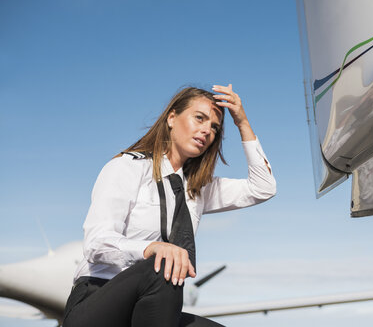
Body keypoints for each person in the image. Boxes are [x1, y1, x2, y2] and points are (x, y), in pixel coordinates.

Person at [62, 84, 276, 327]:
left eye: (214, 127)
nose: (206, 130)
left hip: (150, 310)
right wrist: (151, 248)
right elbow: (96, 243)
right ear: (172, 118)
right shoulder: (128, 167)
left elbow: (263, 187)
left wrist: (242, 123)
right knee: (162, 266)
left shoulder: (197, 189)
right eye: (199, 118)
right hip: (97, 303)